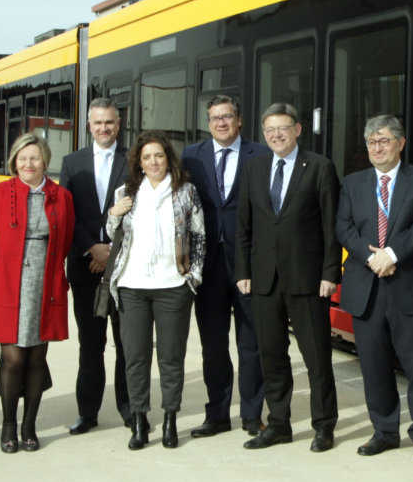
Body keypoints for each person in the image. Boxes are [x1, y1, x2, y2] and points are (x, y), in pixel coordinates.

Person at [335, 115, 413, 459]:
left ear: (400, 143)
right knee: (373, 364)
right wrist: (370, 258)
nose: (377, 148)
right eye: (371, 142)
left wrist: (392, 254)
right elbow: (344, 226)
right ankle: (384, 430)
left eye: (383, 140)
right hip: (367, 285)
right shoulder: (353, 183)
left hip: (410, 284)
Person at [235, 103, 341, 452]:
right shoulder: (253, 168)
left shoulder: (320, 167)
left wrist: (330, 273)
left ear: (298, 130)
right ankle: (279, 423)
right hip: (264, 280)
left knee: (317, 357)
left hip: (307, 279)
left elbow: (330, 226)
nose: (276, 135)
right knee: (272, 355)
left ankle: (323, 426)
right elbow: (244, 226)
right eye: (269, 130)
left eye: (283, 128)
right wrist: (243, 271)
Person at [0, 133, 74, 453]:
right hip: (6, 280)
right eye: (22, 158)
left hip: (44, 282)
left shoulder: (62, 196)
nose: (28, 164)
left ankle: (29, 425)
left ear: (45, 161)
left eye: (35, 158)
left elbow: (67, 238)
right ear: (14, 161)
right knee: (13, 357)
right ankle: (8, 424)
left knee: (36, 357)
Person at [103, 132, 206, 450]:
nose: (153, 162)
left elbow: (199, 236)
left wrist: (194, 278)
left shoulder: (185, 191)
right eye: (146, 157)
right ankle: (138, 421)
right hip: (132, 287)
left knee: (171, 358)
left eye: (158, 156)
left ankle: (171, 420)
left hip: (173, 287)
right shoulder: (126, 192)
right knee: (135, 357)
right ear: (139, 162)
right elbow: (111, 234)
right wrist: (113, 214)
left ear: (168, 158)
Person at [180, 96, 269, 438]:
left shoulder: (259, 155)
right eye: (215, 118)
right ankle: (216, 414)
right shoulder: (191, 156)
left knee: (251, 344)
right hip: (208, 268)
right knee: (213, 346)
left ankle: (251, 415)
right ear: (208, 121)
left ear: (239, 120)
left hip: (249, 264)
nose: (221, 123)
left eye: (227, 116)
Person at [58, 97, 130, 434]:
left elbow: (141, 210)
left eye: (110, 122)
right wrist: (92, 248)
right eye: (98, 123)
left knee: (127, 342)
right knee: (91, 343)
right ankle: (87, 413)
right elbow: (66, 214)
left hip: (126, 265)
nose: (104, 128)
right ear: (89, 126)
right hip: (85, 266)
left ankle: (130, 410)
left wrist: (111, 251)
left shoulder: (133, 160)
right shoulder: (72, 163)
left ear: (119, 124)